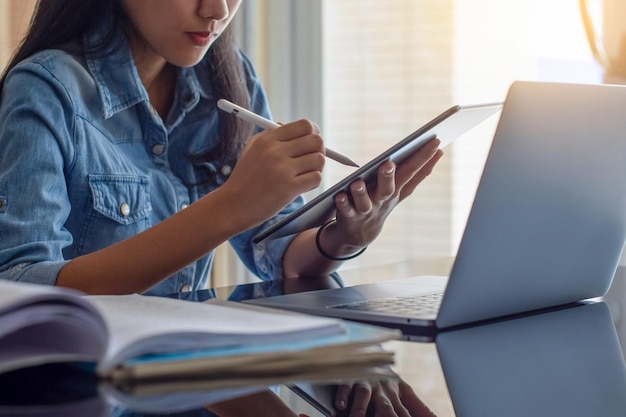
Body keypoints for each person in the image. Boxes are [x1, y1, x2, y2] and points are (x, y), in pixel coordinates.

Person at [0, 1, 442, 416]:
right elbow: (23, 292)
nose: (218, 11)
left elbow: (278, 252)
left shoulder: (227, 80)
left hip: (197, 381)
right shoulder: (47, 89)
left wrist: (341, 237)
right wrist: (230, 205)